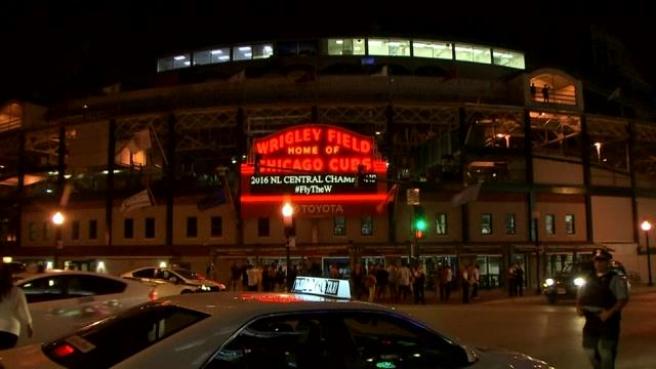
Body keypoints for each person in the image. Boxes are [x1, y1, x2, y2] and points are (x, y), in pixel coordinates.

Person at [577, 248, 629, 369]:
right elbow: (580, 294)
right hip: (591, 320)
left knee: (606, 353)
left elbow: (622, 299)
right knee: (589, 350)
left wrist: (609, 313)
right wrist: (578, 307)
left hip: (609, 321)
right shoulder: (589, 277)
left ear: (608, 262)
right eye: (596, 261)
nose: (599, 263)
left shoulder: (615, 279)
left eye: (602, 261)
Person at [0, 265, 33, 349]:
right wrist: (29, 325)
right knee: (6, 356)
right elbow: (23, 311)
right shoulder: (17, 292)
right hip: (10, 330)